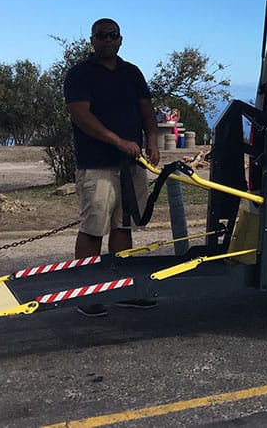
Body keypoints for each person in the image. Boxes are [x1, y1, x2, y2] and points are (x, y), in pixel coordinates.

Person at [64, 18, 160, 316]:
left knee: (124, 224)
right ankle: (87, 292)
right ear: (92, 40)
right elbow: (81, 116)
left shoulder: (131, 73)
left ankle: (123, 289)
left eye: (113, 36)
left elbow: (147, 111)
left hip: (131, 163)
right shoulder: (79, 74)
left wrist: (153, 141)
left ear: (120, 40)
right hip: (97, 164)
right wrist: (117, 141)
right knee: (94, 228)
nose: (108, 40)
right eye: (102, 36)